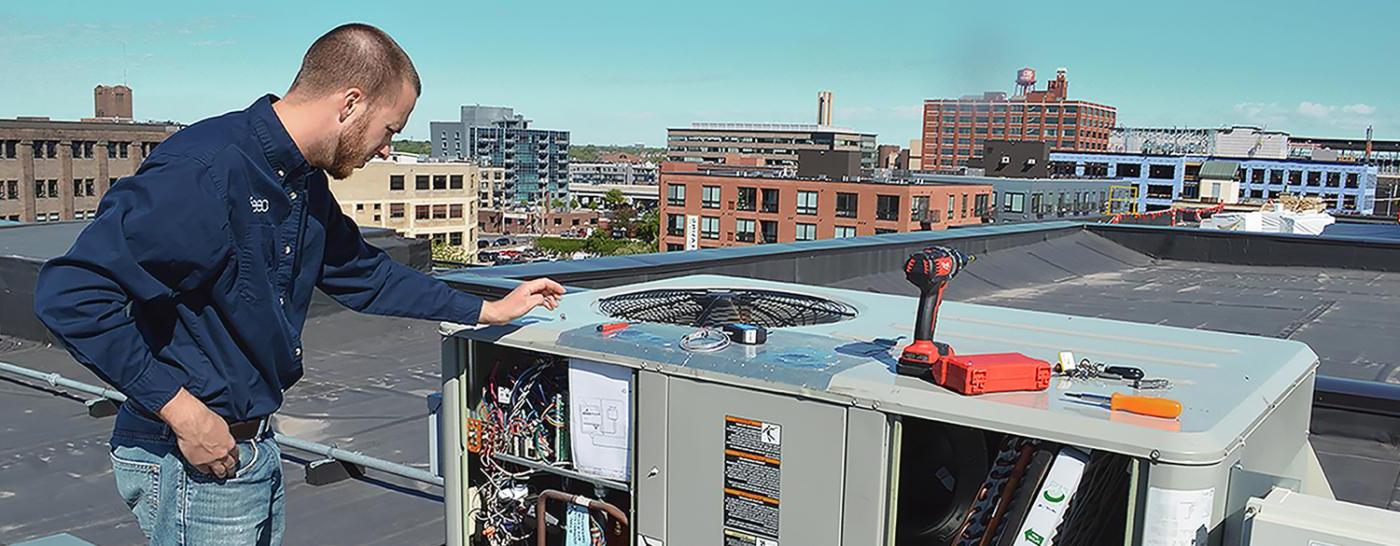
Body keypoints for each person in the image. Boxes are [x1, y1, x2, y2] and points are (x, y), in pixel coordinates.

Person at [32, 23, 563, 545]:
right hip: (190, 455)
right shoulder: (207, 170)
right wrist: (184, 412)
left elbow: (363, 273)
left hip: (248, 447)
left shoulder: (301, 179)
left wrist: (485, 309)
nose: (385, 149)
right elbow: (71, 295)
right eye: (390, 130)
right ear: (350, 103)